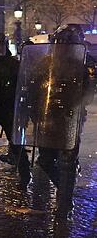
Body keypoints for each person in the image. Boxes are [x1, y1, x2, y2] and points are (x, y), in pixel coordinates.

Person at [15, 25, 93, 217]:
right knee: (45, 159)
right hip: (48, 117)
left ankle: (64, 204)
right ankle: (65, 189)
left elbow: (88, 94)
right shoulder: (46, 63)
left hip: (70, 118)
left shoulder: (83, 64)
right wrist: (31, 108)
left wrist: (74, 102)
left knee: (66, 161)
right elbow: (34, 86)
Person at [0, 33, 30, 184]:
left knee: (15, 142)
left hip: (8, 107)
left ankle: (25, 174)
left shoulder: (13, 64)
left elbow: (22, 85)